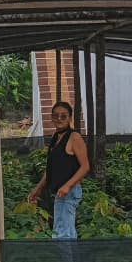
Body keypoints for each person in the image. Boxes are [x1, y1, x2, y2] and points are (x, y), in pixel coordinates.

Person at [28, 101, 90, 239]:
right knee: (62, 231)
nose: (59, 119)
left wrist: (67, 185)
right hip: (60, 192)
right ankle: (69, 254)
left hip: (69, 192)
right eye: (56, 116)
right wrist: (37, 189)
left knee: (63, 234)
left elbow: (85, 167)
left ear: (70, 118)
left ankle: (68, 254)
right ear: (51, 117)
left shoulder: (74, 137)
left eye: (63, 116)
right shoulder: (55, 137)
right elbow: (50, 169)